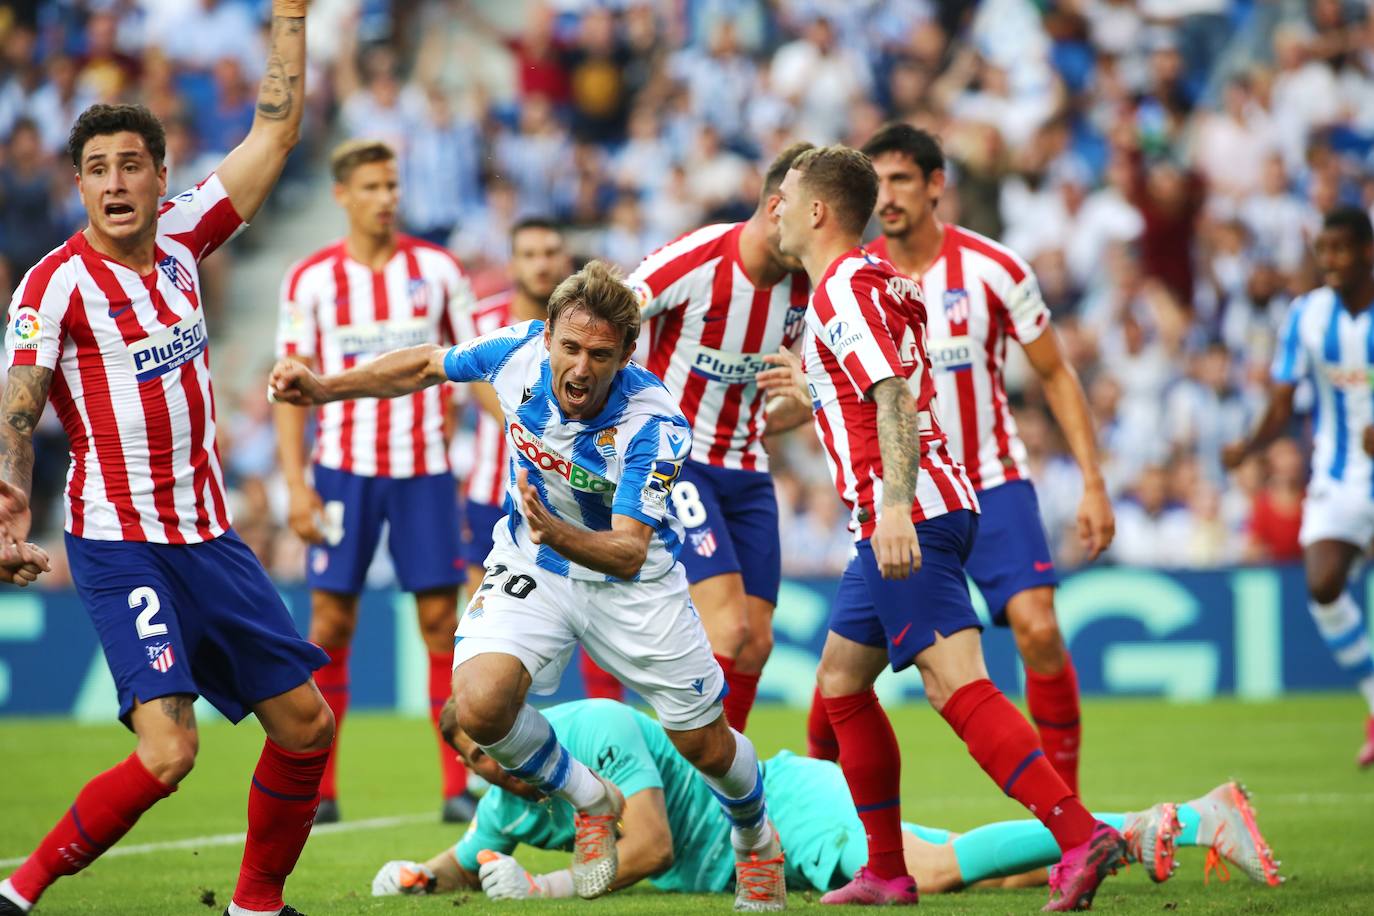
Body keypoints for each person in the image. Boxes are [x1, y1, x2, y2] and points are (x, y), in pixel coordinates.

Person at [267, 261, 787, 910]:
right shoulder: (513, 353)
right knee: (480, 706)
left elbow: (628, 550)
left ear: (627, 354)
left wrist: (554, 531)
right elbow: (426, 364)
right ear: (547, 337)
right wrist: (323, 387)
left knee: (704, 745)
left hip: (633, 587)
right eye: (569, 347)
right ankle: (593, 799)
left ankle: (756, 839)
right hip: (534, 562)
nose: (580, 367)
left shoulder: (655, 425)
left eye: (600, 355)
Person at [0, 5, 333, 916]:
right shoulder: (52, 285)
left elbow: (276, 127)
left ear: (160, 177)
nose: (114, 183)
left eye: (129, 166)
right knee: (168, 754)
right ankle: (19, 890)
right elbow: (19, 405)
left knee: (307, 727)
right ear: (78, 186)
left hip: (210, 538)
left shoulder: (187, 238)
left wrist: (293, 18)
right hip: (122, 542)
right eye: (96, 170)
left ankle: (256, 906)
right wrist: (8, 502)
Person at [760, 145, 1126, 910]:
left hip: (907, 510)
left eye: (786, 197)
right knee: (841, 682)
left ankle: (1080, 833)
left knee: (957, 683)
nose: (777, 209)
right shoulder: (872, 281)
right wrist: (819, 389)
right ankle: (887, 871)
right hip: (922, 501)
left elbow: (893, 396)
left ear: (818, 211)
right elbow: (883, 387)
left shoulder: (840, 293)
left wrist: (894, 506)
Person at [804, 123, 1114, 791]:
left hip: (991, 479)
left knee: (1035, 629)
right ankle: (814, 820)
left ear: (936, 185)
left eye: (902, 180)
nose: (886, 196)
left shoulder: (996, 270)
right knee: (838, 678)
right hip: (903, 495)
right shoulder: (859, 277)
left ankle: (1066, 804)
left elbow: (1056, 373)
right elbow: (847, 387)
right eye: (876, 181)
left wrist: (1092, 481)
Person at [369, 698, 1282, 901]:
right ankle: (1190, 818)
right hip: (759, 856)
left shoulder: (595, 728)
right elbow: (471, 856)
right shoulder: (511, 793)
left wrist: (548, 892)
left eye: (495, 752)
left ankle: (1179, 821)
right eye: (476, 764)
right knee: (996, 878)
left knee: (925, 872)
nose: (491, 772)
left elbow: (642, 849)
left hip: (782, 810)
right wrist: (419, 876)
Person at [274, 138, 476, 825]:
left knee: (442, 623)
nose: (386, 198)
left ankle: (458, 784)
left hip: (423, 472)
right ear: (342, 195)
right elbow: (290, 387)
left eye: (392, 185)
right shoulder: (310, 280)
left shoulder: (440, 270)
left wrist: (511, 442)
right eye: (371, 187)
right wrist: (297, 487)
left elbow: (472, 369)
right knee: (331, 621)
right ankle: (320, 790)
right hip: (342, 475)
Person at [627, 142, 813, 733]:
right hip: (679, 463)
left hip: (749, 469)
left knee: (756, 642)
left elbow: (794, 396)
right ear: (780, 205)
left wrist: (806, 396)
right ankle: (685, 782)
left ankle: (716, 781)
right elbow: (610, 313)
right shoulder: (698, 258)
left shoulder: (804, 287)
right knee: (725, 627)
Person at [1223, 206, 1374, 769]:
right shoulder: (1307, 316)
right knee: (1324, 584)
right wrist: (1248, 447)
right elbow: (1283, 400)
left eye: (1340, 250)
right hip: (1340, 478)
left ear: (1366, 251)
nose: (1330, 261)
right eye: (1323, 251)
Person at [457, 217, 621, 701]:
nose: (541, 263)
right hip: (493, 495)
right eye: (528, 254)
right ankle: (496, 770)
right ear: (511, 264)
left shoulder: (597, 331)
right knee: (491, 642)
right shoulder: (482, 322)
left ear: (565, 261)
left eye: (550, 252)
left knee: (602, 634)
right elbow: (481, 393)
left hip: (577, 501)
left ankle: (605, 747)